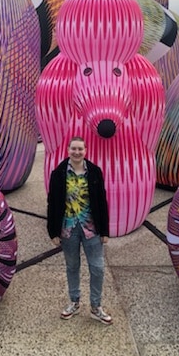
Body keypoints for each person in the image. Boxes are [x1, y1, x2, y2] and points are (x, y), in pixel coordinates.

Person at [47, 136, 112, 325]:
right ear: (68, 150)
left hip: (91, 228)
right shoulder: (58, 173)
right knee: (72, 267)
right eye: (73, 149)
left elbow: (102, 201)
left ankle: (95, 306)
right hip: (68, 229)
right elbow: (52, 203)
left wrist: (105, 231)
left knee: (98, 268)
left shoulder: (94, 172)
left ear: (85, 150)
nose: (77, 152)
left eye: (80, 149)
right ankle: (74, 303)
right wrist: (52, 231)